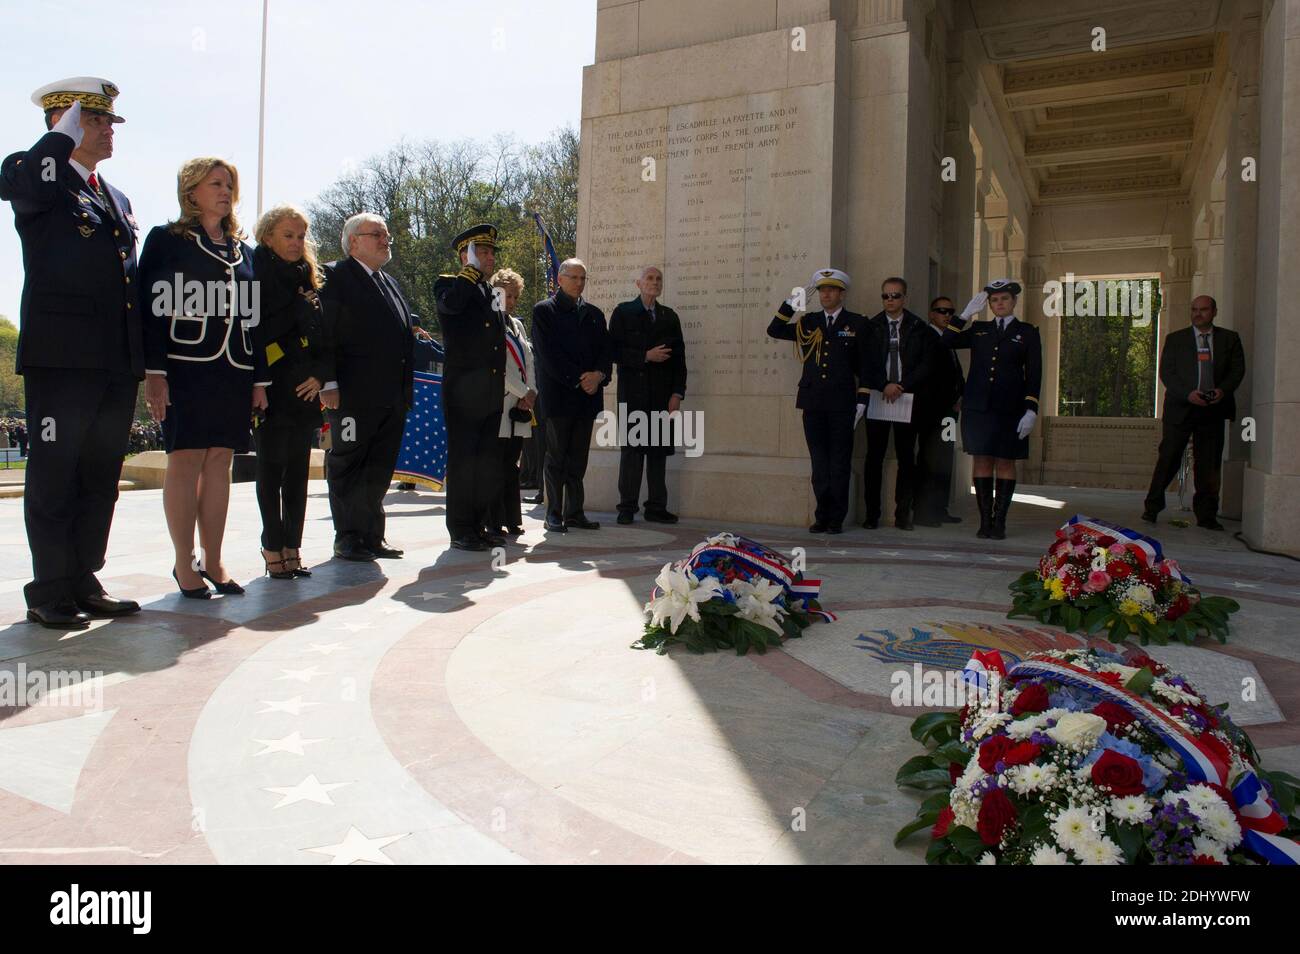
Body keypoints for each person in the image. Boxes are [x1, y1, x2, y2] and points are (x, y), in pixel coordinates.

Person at [0, 79, 144, 628]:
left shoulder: (117, 196)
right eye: (99, 120)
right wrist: (60, 136)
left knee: (99, 475)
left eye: (110, 122)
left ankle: (84, 576)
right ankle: (49, 588)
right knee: (55, 473)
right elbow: (27, 185)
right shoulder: (36, 174)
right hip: (63, 360)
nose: (110, 131)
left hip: (114, 361)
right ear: (65, 123)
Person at [140, 157, 268, 597]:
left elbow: (256, 321)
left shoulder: (244, 251)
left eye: (229, 184)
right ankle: (183, 562)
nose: (225, 191)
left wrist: (259, 380)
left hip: (234, 368)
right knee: (187, 458)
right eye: (215, 183)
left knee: (221, 461)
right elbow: (151, 311)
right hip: (184, 367)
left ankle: (214, 559)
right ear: (191, 191)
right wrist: (155, 372)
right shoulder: (166, 241)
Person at [317, 213, 414, 561]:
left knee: (379, 467)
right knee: (349, 464)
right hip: (352, 394)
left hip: (390, 396)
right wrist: (328, 381)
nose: (385, 240)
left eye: (387, 235)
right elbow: (325, 332)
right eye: (377, 234)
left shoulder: (389, 282)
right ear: (353, 241)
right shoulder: (334, 276)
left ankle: (373, 534)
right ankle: (348, 536)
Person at [251, 205, 327, 579]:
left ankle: (293, 547)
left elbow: (321, 336)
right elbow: (258, 333)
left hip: (305, 388)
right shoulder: (254, 272)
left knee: (298, 472)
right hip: (270, 387)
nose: (297, 243)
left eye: (301, 236)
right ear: (267, 236)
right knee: (271, 469)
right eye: (288, 235)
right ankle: (271, 545)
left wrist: (319, 375)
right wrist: (295, 309)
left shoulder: (308, 277)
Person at [767, 268, 865, 534]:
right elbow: (774, 329)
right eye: (822, 290)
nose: (826, 294)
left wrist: (862, 400)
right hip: (813, 401)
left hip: (843, 402)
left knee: (839, 462)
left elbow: (867, 366)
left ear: (842, 294)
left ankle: (837, 517)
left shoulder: (856, 323)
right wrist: (792, 302)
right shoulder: (808, 322)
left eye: (831, 290)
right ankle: (822, 515)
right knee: (819, 462)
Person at [943, 278, 1042, 540]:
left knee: (1005, 461)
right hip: (978, 407)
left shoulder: (1028, 332)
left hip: (1010, 407)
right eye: (994, 300)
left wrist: (1031, 409)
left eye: (1004, 299)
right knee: (982, 459)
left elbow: (1034, 374)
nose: (999, 304)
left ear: (1014, 301)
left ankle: (1000, 520)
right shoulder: (979, 329)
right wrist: (964, 315)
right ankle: (985, 520)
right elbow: (947, 341)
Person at [1142, 295, 1245, 530]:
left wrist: (1222, 390)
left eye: (1204, 309)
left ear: (1214, 312)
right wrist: (1188, 394)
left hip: (1213, 409)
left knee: (1208, 464)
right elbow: (1167, 373)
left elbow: (1237, 370)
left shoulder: (1230, 339)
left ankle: (1207, 515)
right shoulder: (1176, 339)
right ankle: (1152, 507)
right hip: (1181, 408)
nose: (1198, 313)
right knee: (1169, 457)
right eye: (1194, 309)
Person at [435, 224, 508, 551]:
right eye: (484, 252)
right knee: (464, 462)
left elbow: (496, 343)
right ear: (466, 255)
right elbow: (451, 307)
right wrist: (469, 272)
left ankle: (478, 524)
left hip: (490, 392)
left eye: (492, 252)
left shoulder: (492, 292)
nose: (491, 258)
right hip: (464, 393)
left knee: (485, 463)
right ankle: (461, 528)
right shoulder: (450, 285)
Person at [531, 258, 611, 532]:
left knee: (578, 459)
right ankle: (553, 512)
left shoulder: (595, 314)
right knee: (556, 457)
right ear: (560, 279)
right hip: (559, 396)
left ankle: (575, 512)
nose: (579, 283)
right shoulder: (544, 312)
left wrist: (599, 376)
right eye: (574, 278)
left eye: (582, 279)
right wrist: (580, 379)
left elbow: (605, 352)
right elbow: (548, 356)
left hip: (587, 398)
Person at [609, 266, 687, 525]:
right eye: (650, 279)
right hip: (633, 395)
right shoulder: (623, 312)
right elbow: (614, 352)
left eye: (658, 279)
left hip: (662, 397)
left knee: (658, 453)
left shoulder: (669, 316)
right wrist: (645, 356)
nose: (655, 283)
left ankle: (656, 506)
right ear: (638, 284)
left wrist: (677, 393)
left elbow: (679, 360)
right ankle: (627, 507)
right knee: (632, 452)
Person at [859, 277, 933, 530]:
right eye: (886, 296)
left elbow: (926, 364)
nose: (890, 300)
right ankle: (872, 514)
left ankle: (903, 514)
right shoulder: (872, 326)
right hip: (879, 397)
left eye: (895, 295)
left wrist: (901, 385)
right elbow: (865, 363)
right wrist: (884, 384)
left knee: (906, 457)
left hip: (907, 397)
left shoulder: (918, 327)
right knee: (874, 457)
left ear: (905, 297)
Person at [485, 268, 537, 536]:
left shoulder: (517, 325)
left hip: (521, 404)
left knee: (512, 463)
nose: (512, 301)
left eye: (516, 296)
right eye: (507, 295)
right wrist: (522, 393)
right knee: (495, 463)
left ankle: (511, 517)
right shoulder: (488, 322)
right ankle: (493, 520)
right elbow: (498, 366)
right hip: (501, 401)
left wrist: (532, 392)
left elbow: (529, 360)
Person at [914, 296, 965, 526]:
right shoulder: (928, 337)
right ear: (931, 314)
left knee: (945, 459)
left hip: (949, 413)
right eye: (941, 311)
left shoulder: (948, 340)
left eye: (950, 312)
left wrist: (960, 395)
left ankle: (940, 507)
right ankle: (925, 511)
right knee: (928, 458)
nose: (946, 315)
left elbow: (955, 373)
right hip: (931, 411)